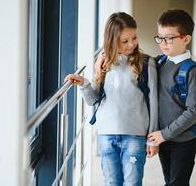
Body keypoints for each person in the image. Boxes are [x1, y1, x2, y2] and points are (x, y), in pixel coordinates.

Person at [66, 12, 159, 186]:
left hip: (135, 136)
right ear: (112, 40)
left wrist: (152, 139)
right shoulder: (103, 63)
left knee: (132, 183)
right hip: (106, 135)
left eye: (134, 37)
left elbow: (153, 101)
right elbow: (93, 99)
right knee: (112, 183)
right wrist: (84, 84)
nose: (132, 44)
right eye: (125, 41)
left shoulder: (146, 63)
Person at [147, 9, 196, 186]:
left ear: (186, 39)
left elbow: (194, 111)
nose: (163, 43)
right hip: (164, 139)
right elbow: (135, 57)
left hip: (183, 141)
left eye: (169, 38)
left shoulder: (191, 71)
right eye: (160, 37)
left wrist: (164, 134)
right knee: (170, 180)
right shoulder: (160, 62)